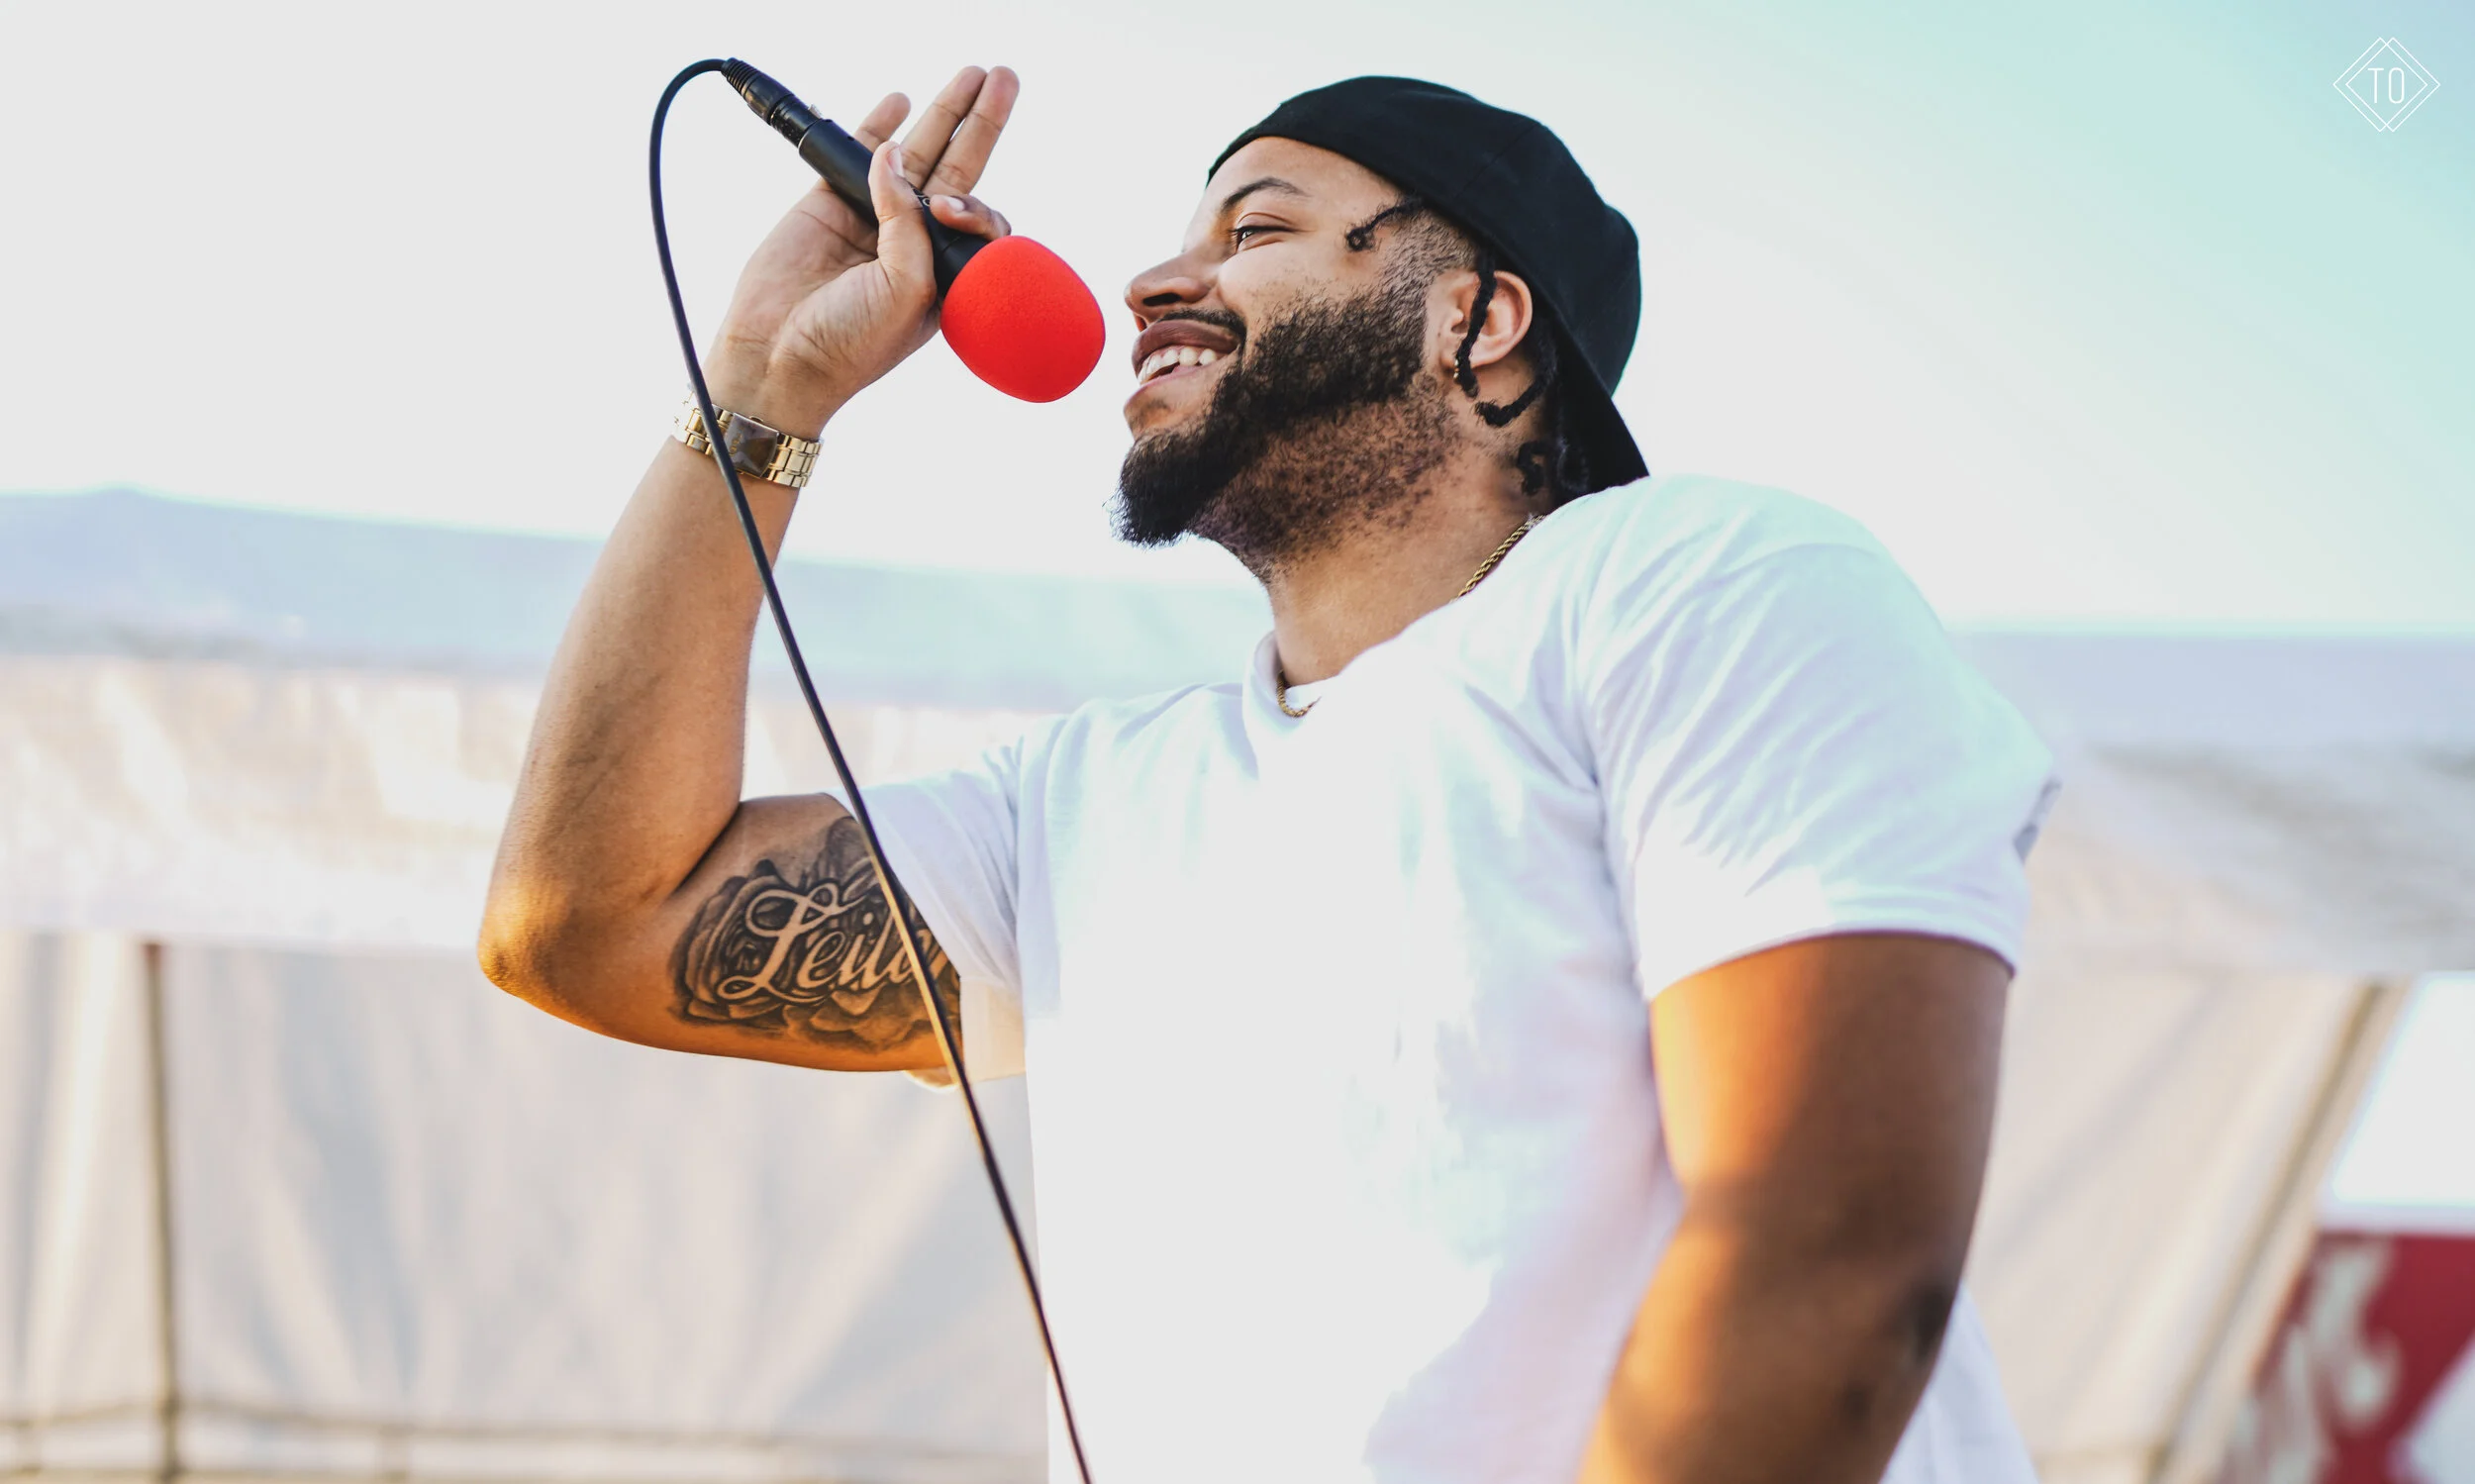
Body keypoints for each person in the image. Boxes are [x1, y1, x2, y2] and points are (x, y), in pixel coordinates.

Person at [481, 66, 2057, 1484]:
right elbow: (589, 919)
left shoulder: (1693, 580)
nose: (1159, 278)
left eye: (1256, 226)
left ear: (1477, 316)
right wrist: (766, 389)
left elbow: (1828, 1256)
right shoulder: (1081, 806)